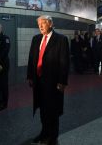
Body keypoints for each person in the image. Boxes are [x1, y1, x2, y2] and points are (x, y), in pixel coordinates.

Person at [27, 15, 70, 145]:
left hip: (53, 82)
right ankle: (44, 132)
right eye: (39, 23)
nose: (40, 26)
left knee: (53, 109)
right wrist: (30, 76)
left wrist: (62, 81)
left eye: (43, 23)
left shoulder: (61, 39)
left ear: (50, 24)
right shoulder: (36, 39)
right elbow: (32, 59)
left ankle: (53, 136)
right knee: (42, 108)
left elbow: (64, 62)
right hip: (39, 81)